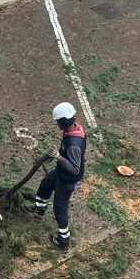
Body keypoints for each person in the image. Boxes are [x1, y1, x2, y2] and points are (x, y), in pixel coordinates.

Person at [31, 101, 87, 250]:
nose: (56, 124)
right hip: (61, 173)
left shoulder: (74, 144)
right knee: (46, 184)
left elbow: (75, 169)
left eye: (57, 121)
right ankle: (39, 209)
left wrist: (58, 157)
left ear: (63, 122)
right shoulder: (72, 130)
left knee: (59, 208)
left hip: (67, 179)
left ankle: (64, 240)